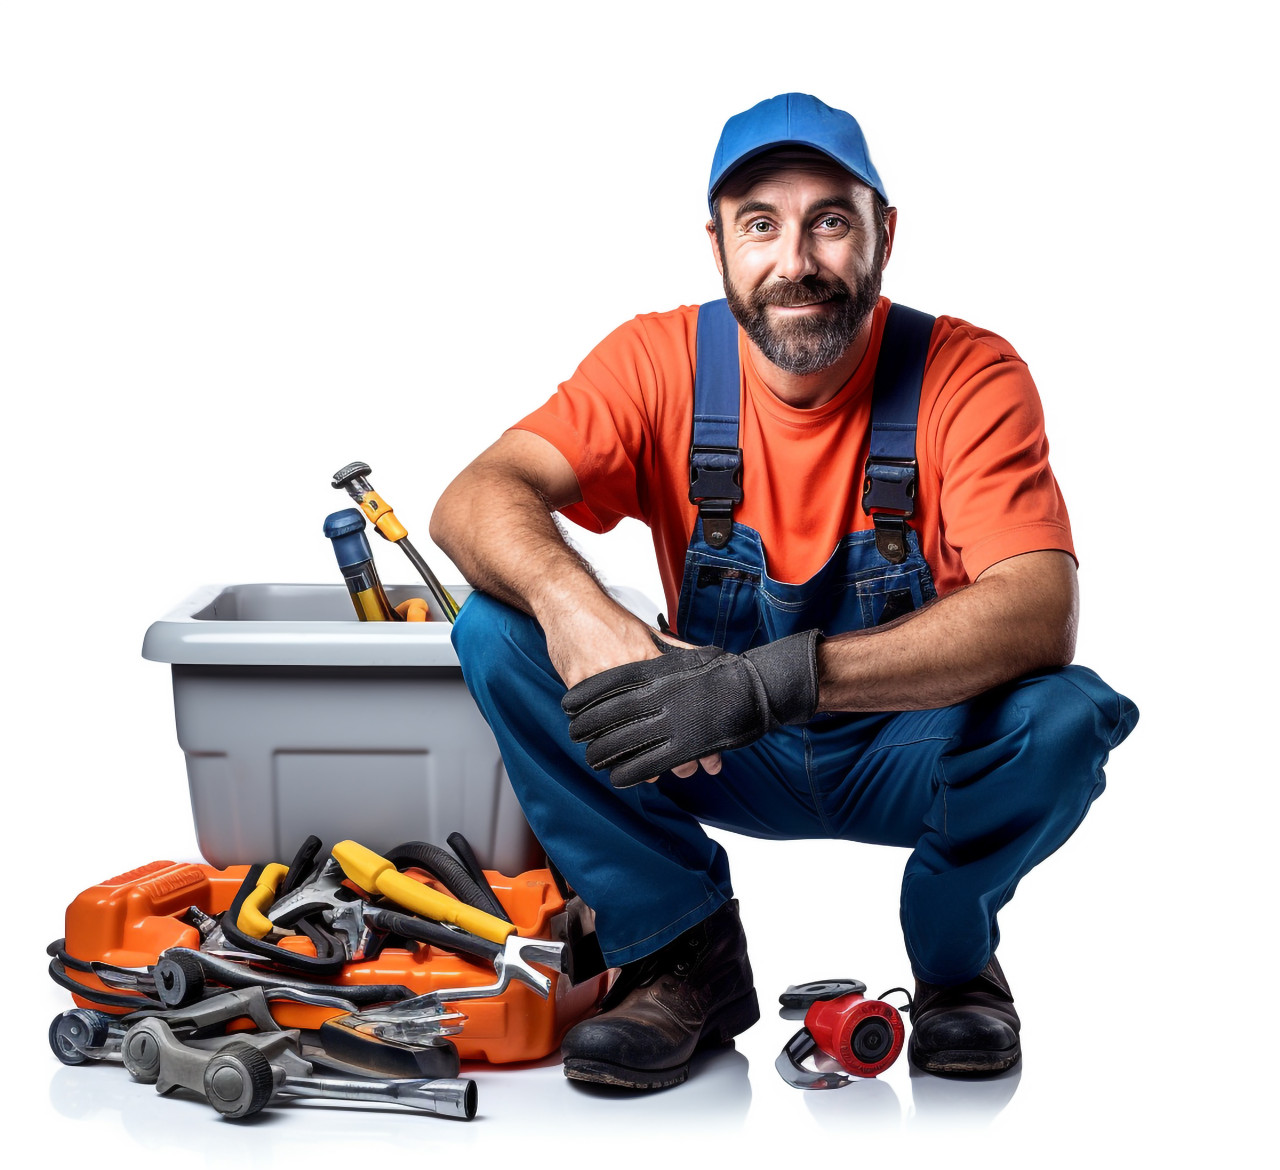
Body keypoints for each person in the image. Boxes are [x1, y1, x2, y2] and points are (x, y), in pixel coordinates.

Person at [430, 93, 1137, 1089]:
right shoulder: (657, 361)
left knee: (1063, 719)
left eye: (829, 220)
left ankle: (951, 960)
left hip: (909, 749)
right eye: (758, 223)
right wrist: (582, 614)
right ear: (716, 243)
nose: (794, 257)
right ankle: (680, 955)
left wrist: (771, 682)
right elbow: (472, 499)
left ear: (881, 235)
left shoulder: (966, 372)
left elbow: (1037, 609)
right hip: (706, 749)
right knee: (498, 631)